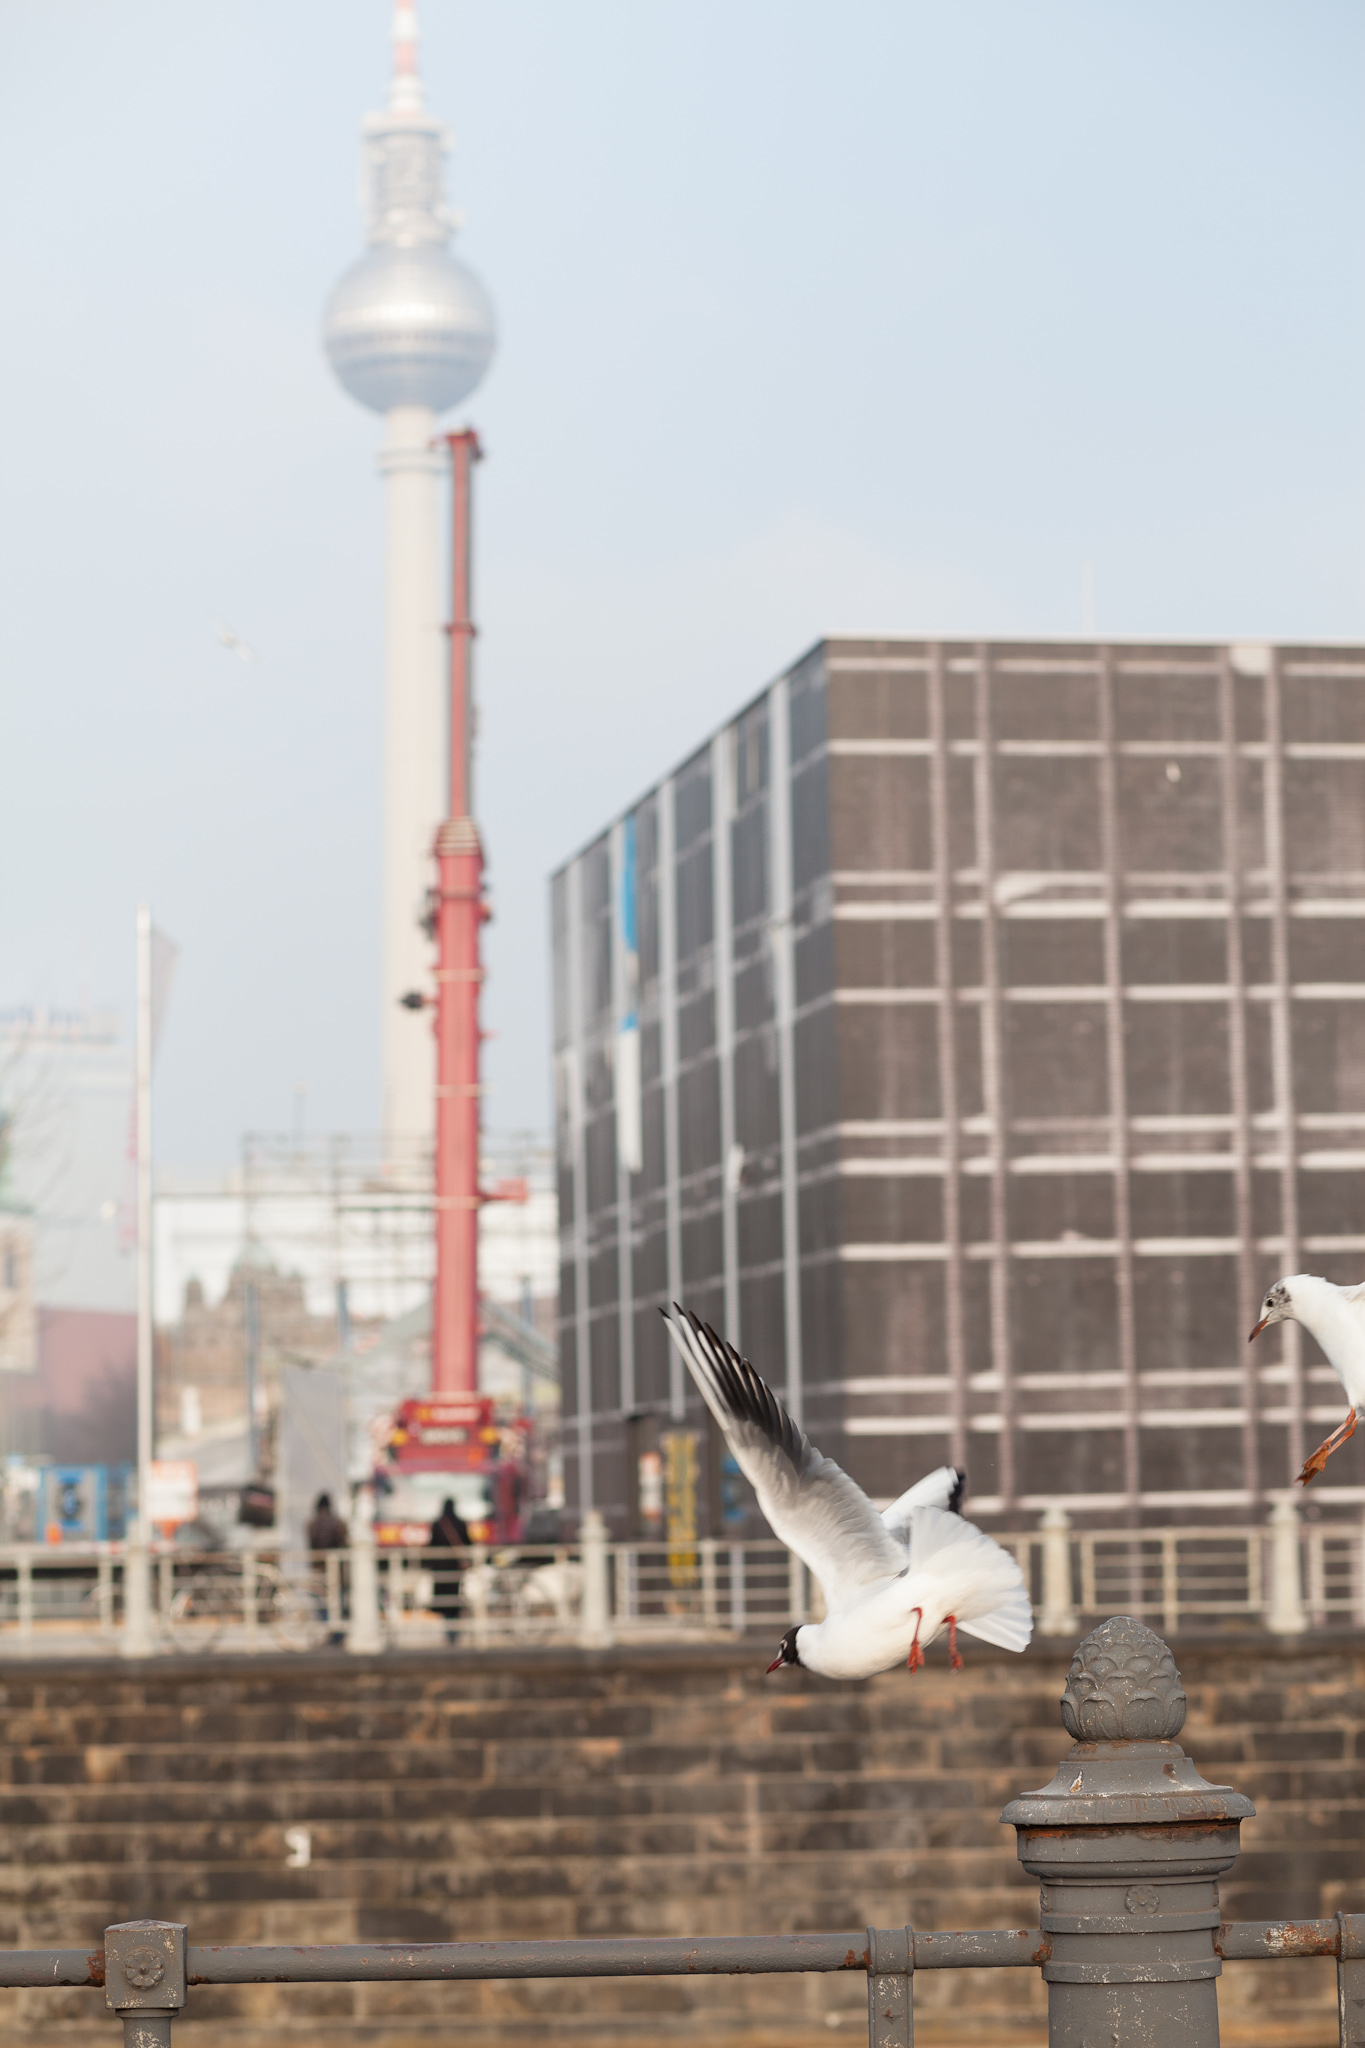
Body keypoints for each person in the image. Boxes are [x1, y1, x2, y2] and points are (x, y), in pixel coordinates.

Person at [307, 1492, 349, 1646]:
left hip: (318, 1570)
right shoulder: (339, 1523)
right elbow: (344, 1543)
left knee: (321, 1605)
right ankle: (337, 1634)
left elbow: (311, 1546)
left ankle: (326, 1633)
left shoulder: (311, 1524)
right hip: (337, 1570)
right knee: (337, 1603)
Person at [428, 1497, 470, 1644]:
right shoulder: (460, 1523)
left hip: (440, 1569)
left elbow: (431, 1546)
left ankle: (449, 1632)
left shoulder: (438, 1524)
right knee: (455, 1600)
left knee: (444, 1602)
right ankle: (454, 1634)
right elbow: (467, 1543)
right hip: (456, 1568)